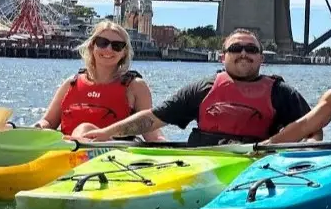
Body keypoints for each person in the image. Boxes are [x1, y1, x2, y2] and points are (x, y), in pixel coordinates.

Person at [81, 29, 313, 146]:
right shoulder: (202, 89)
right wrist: (106, 133)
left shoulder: (282, 93)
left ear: (262, 58)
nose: (243, 53)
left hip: (255, 164)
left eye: (251, 50)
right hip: (203, 163)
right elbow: (153, 119)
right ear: (223, 58)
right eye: (235, 49)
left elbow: (313, 130)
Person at [34, 21, 164, 141]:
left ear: (124, 53)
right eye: (102, 43)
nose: (108, 49)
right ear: (92, 46)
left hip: (111, 157)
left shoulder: (136, 87)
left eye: (117, 46)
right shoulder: (71, 83)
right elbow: (48, 122)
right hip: (66, 154)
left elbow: (152, 132)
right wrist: (35, 128)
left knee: (84, 129)